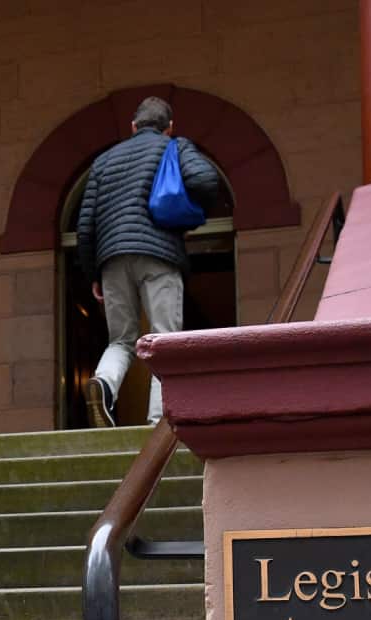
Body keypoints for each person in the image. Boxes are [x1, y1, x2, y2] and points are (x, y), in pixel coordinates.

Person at [77, 96, 220, 427]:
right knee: (164, 339)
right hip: (159, 256)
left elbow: (85, 226)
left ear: (133, 126)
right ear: (169, 127)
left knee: (121, 340)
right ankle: (158, 422)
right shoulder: (174, 146)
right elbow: (205, 180)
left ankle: (104, 383)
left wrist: (93, 273)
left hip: (112, 259)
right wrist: (188, 212)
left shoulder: (104, 161)